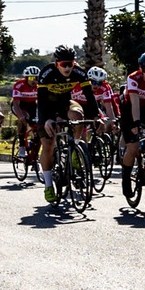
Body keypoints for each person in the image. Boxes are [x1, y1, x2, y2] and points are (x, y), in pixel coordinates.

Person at [33, 47, 93, 204]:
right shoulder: (47, 73)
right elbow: (41, 100)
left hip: (64, 104)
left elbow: (90, 97)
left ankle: (75, 149)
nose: (67, 68)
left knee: (78, 116)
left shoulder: (79, 73)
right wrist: (46, 119)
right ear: (56, 63)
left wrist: (97, 117)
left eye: (70, 64)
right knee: (48, 145)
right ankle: (48, 185)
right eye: (64, 64)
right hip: (46, 108)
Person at [10, 66, 41, 162]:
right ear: (26, 78)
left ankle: (34, 157)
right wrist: (21, 116)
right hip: (20, 106)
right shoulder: (19, 85)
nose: (34, 81)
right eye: (31, 78)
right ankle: (22, 146)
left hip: (32, 105)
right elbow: (16, 104)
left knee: (39, 130)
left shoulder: (40, 86)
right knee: (23, 119)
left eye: (36, 78)